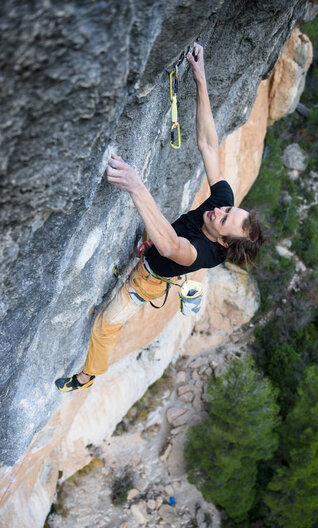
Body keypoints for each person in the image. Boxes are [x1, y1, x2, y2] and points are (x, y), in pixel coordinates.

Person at [56, 42, 266, 392]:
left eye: (224, 217)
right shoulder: (222, 205)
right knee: (171, 253)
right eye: (228, 208)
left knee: (105, 326)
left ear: (224, 240)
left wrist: (137, 187)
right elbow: (208, 144)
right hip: (170, 249)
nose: (219, 209)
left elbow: (169, 246)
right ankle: (189, 287)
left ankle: (88, 375)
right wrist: (201, 78)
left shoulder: (202, 251)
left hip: (150, 277)